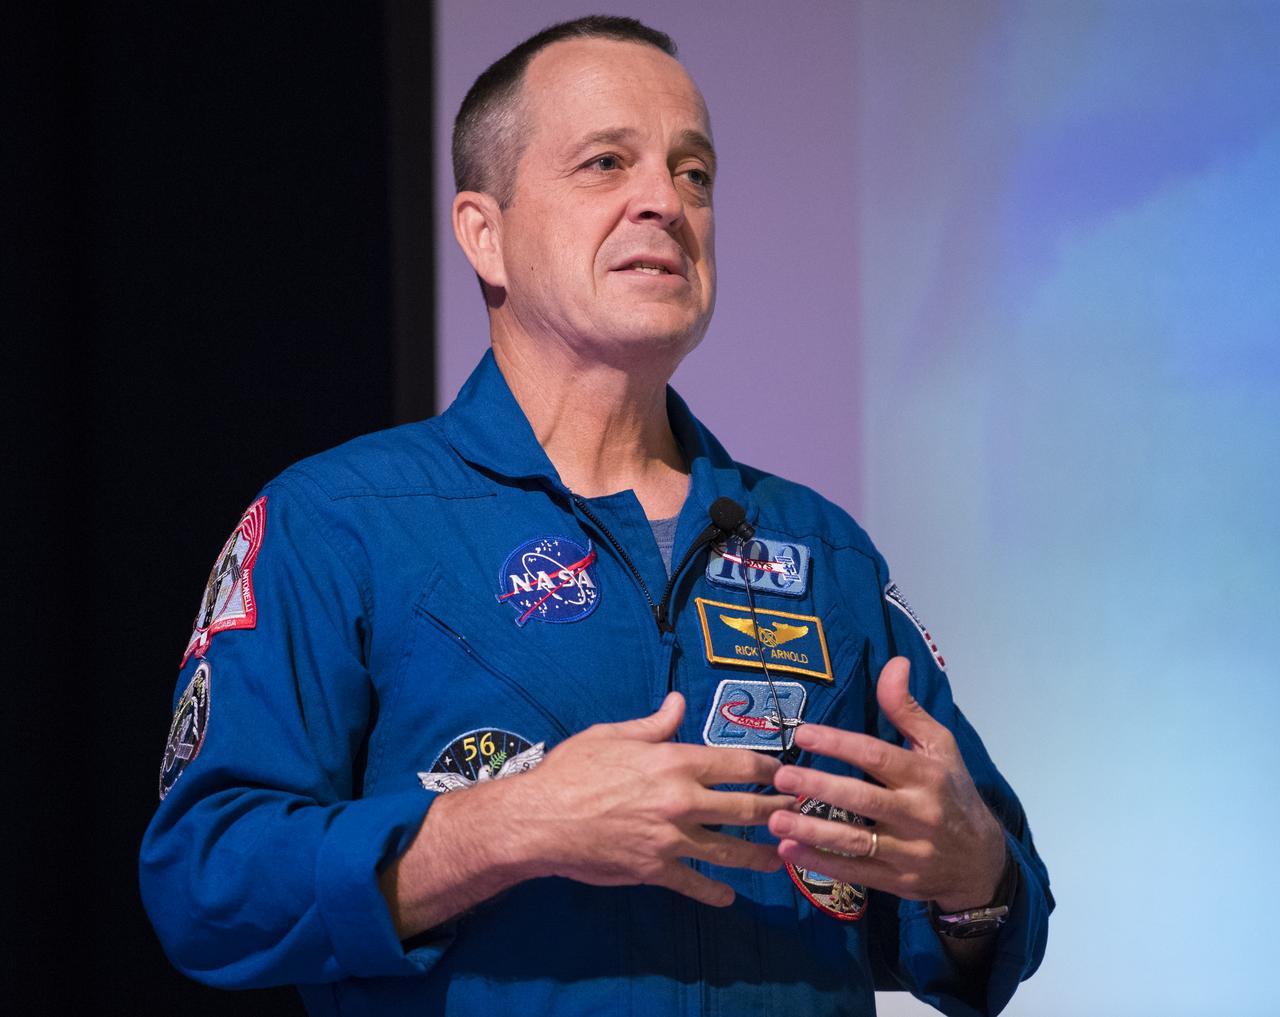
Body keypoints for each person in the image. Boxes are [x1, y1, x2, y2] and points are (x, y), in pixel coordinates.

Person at [140, 16, 1051, 1016]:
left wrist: (972, 882)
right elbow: (206, 883)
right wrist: (509, 827)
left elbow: (989, 914)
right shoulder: (338, 523)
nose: (663, 202)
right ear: (482, 231)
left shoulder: (820, 549)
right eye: (605, 162)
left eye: (693, 173)